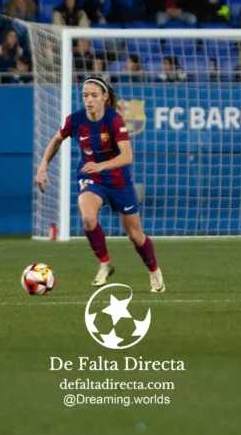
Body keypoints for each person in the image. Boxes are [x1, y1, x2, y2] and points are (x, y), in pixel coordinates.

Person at [33, 76, 165, 293]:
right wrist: (43, 166)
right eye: (85, 95)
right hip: (91, 178)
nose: (89, 100)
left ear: (104, 97)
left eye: (94, 95)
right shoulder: (75, 120)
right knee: (88, 217)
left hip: (118, 182)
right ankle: (105, 263)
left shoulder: (114, 120)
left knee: (135, 235)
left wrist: (101, 165)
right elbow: (57, 140)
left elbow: (127, 156)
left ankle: (154, 271)